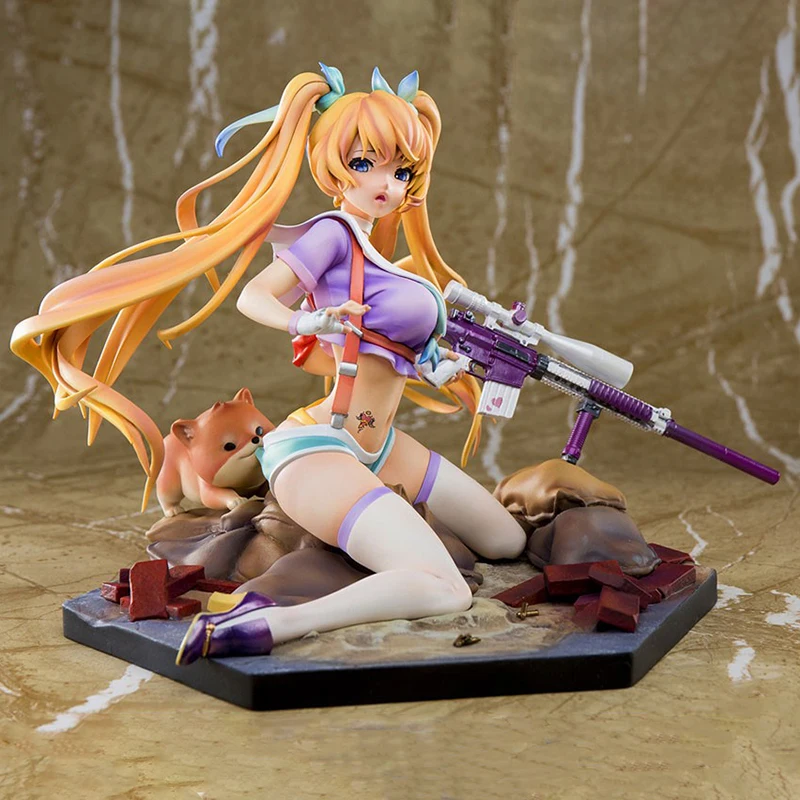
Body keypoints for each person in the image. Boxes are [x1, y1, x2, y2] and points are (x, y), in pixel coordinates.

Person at [10, 65, 526, 664]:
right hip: (321, 448)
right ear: (334, 168)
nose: (386, 183)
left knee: (507, 540)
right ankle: (272, 624)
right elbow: (254, 296)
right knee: (447, 590)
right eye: (365, 163)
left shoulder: (381, 260)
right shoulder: (333, 234)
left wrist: (447, 366)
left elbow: (402, 353)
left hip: (381, 445)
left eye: (402, 170)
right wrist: (310, 321)